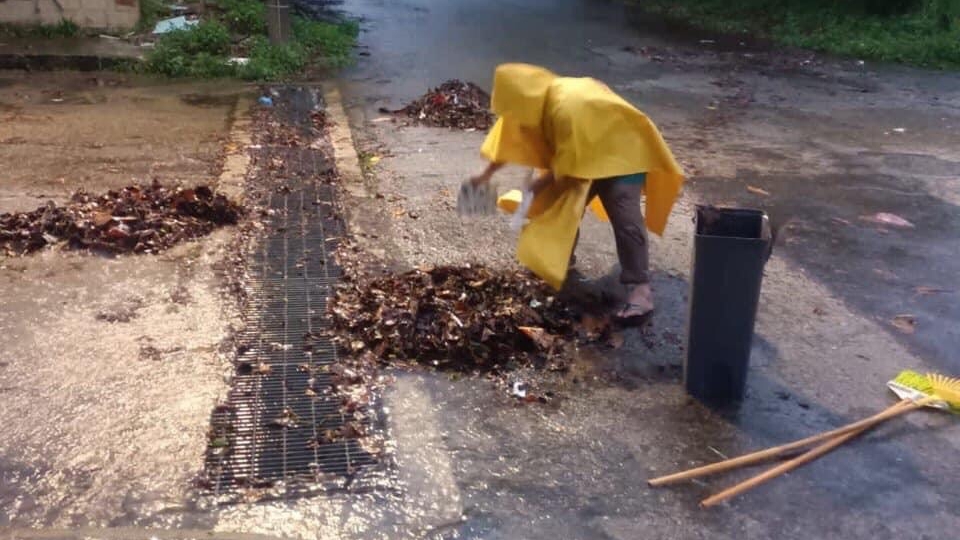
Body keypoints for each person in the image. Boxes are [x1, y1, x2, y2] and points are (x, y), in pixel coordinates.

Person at [468, 63, 684, 325]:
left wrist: (537, 185)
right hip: (585, 148)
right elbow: (508, 141)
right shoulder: (525, 101)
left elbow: (567, 166)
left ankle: (640, 289)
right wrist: (484, 176)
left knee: (622, 208)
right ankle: (559, 263)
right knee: (559, 204)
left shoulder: (566, 108)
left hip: (624, 146)